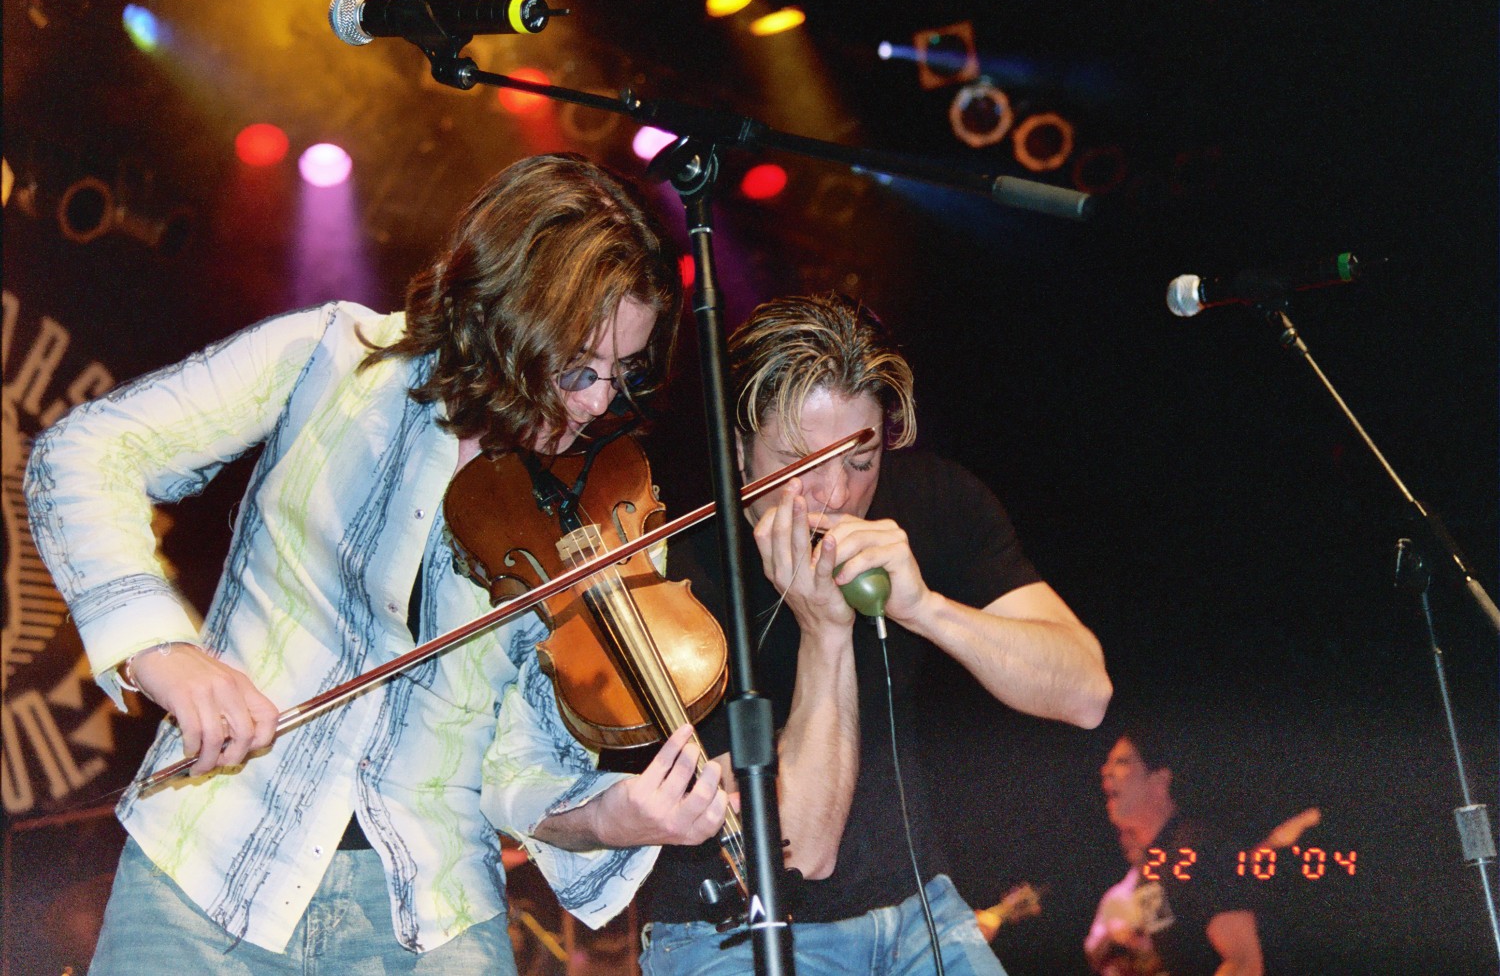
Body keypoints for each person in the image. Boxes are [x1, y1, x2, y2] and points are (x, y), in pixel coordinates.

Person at [23, 153, 731, 973]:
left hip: (433, 917)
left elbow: (521, 769)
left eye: (621, 373)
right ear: (502, 316)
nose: (599, 402)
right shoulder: (332, 356)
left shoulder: (602, 513)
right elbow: (84, 454)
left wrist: (609, 819)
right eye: (577, 365)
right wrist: (160, 649)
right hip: (206, 871)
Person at [632, 293, 1113, 975]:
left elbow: (1087, 692)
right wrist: (824, 632)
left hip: (917, 910)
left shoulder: (932, 498)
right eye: (799, 463)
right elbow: (805, 852)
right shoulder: (675, 573)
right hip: (730, 932)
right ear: (739, 449)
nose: (834, 494)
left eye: (859, 461)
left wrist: (925, 608)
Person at [1086, 730, 1270, 976]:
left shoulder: (1200, 849)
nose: (1105, 771)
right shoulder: (1149, 873)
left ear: (1159, 781)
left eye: (1122, 761)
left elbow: (1245, 964)